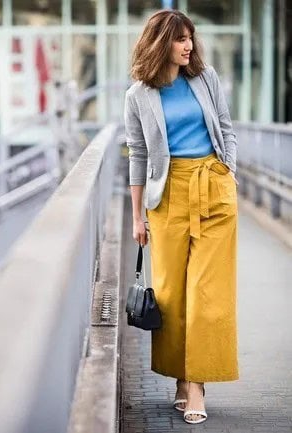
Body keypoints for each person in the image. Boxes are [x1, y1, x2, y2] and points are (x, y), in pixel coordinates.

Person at [124, 9, 239, 425]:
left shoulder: (205, 79)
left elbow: (226, 128)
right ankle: (178, 375)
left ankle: (197, 385)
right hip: (167, 195)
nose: (188, 45)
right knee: (173, 293)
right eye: (180, 39)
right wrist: (137, 216)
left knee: (208, 292)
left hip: (213, 186)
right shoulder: (139, 95)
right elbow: (137, 154)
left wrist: (229, 171)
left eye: (190, 37)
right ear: (160, 43)